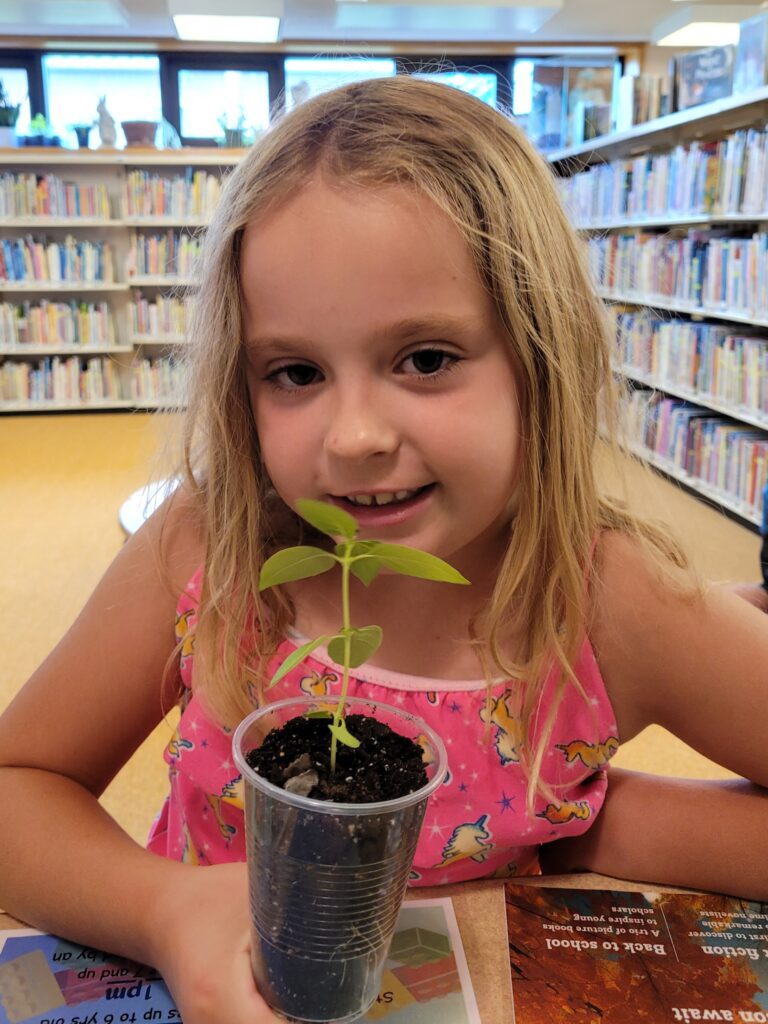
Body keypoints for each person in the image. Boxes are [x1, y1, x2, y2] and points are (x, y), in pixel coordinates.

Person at [1, 76, 767, 1024]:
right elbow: (16, 787)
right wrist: (165, 913)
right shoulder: (212, 551)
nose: (355, 435)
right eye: (295, 372)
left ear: (541, 353)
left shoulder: (604, 601)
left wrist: (598, 820)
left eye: (427, 359)